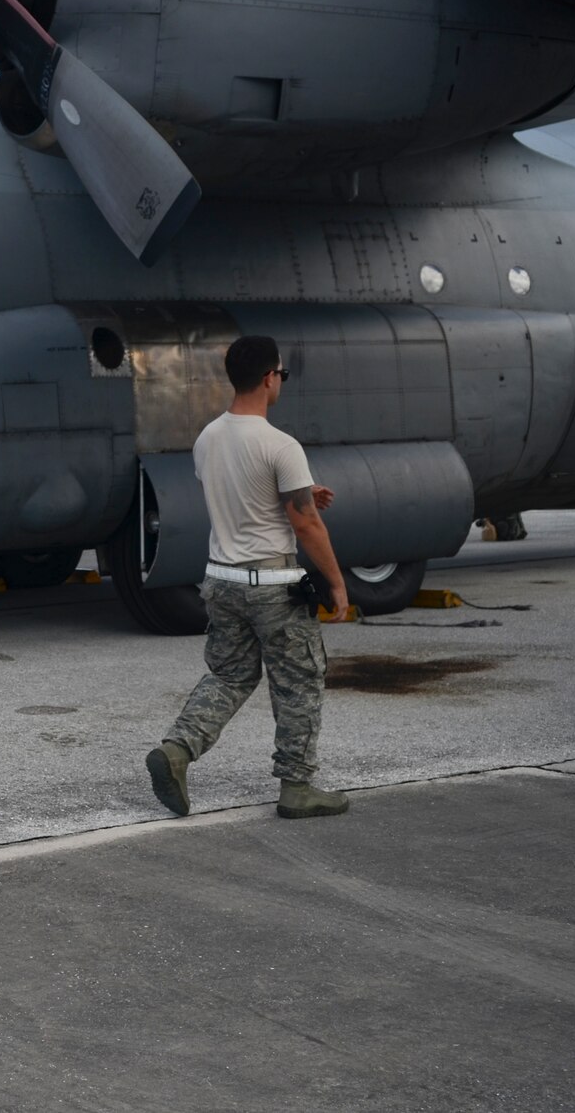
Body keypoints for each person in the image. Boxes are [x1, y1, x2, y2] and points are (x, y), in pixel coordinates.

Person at [146, 335, 351, 821]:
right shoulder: (280, 444)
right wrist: (337, 582)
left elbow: (241, 493)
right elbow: (304, 523)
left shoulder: (207, 438)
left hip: (221, 580)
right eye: (281, 373)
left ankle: (177, 750)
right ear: (268, 378)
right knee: (300, 680)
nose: (281, 381)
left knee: (230, 675)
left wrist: (301, 492)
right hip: (272, 587)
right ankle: (297, 787)